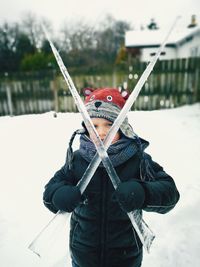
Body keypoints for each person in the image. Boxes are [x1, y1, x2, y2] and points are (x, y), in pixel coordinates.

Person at [43, 87, 180, 267]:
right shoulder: (77, 160)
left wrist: (143, 193)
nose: (101, 132)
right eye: (94, 126)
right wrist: (58, 196)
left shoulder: (136, 159)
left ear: (122, 127)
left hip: (126, 257)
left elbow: (170, 193)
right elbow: (49, 193)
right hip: (83, 256)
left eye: (109, 125)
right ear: (85, 128)